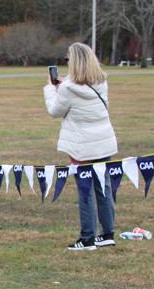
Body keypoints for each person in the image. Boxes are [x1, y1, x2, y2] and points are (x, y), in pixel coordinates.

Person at [44, 42, 118, 251]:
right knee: (103, 188)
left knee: (85, 192)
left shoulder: (68, 88)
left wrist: (50, 89)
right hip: (104, 141)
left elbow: (55, 111)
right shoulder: (101, 81)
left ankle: (87, 238)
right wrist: (64, 84)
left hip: (82, 145)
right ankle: (107, 233)